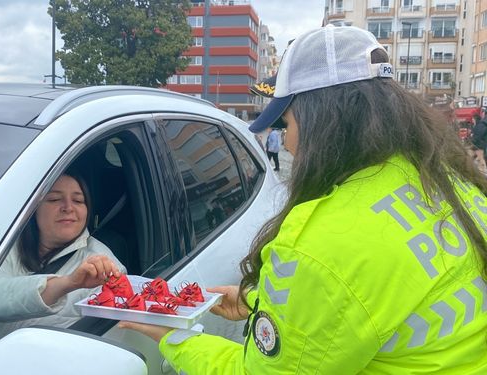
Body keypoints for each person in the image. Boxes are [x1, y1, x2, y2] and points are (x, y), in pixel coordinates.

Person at [119, 25, 487, 373]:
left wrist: (174, 339)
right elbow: (379, 300)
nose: (289, 143)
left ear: (326, 123)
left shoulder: (324, 241)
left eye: (288, 124)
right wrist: (257, 304)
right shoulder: (449, 182)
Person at [0, 171, 125, 340]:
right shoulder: (3, 246)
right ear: (33, 208)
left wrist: (69, 284)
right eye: (54, 199)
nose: (68, 207)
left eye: (78, 200)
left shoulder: (103, 266)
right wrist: (66, 283)